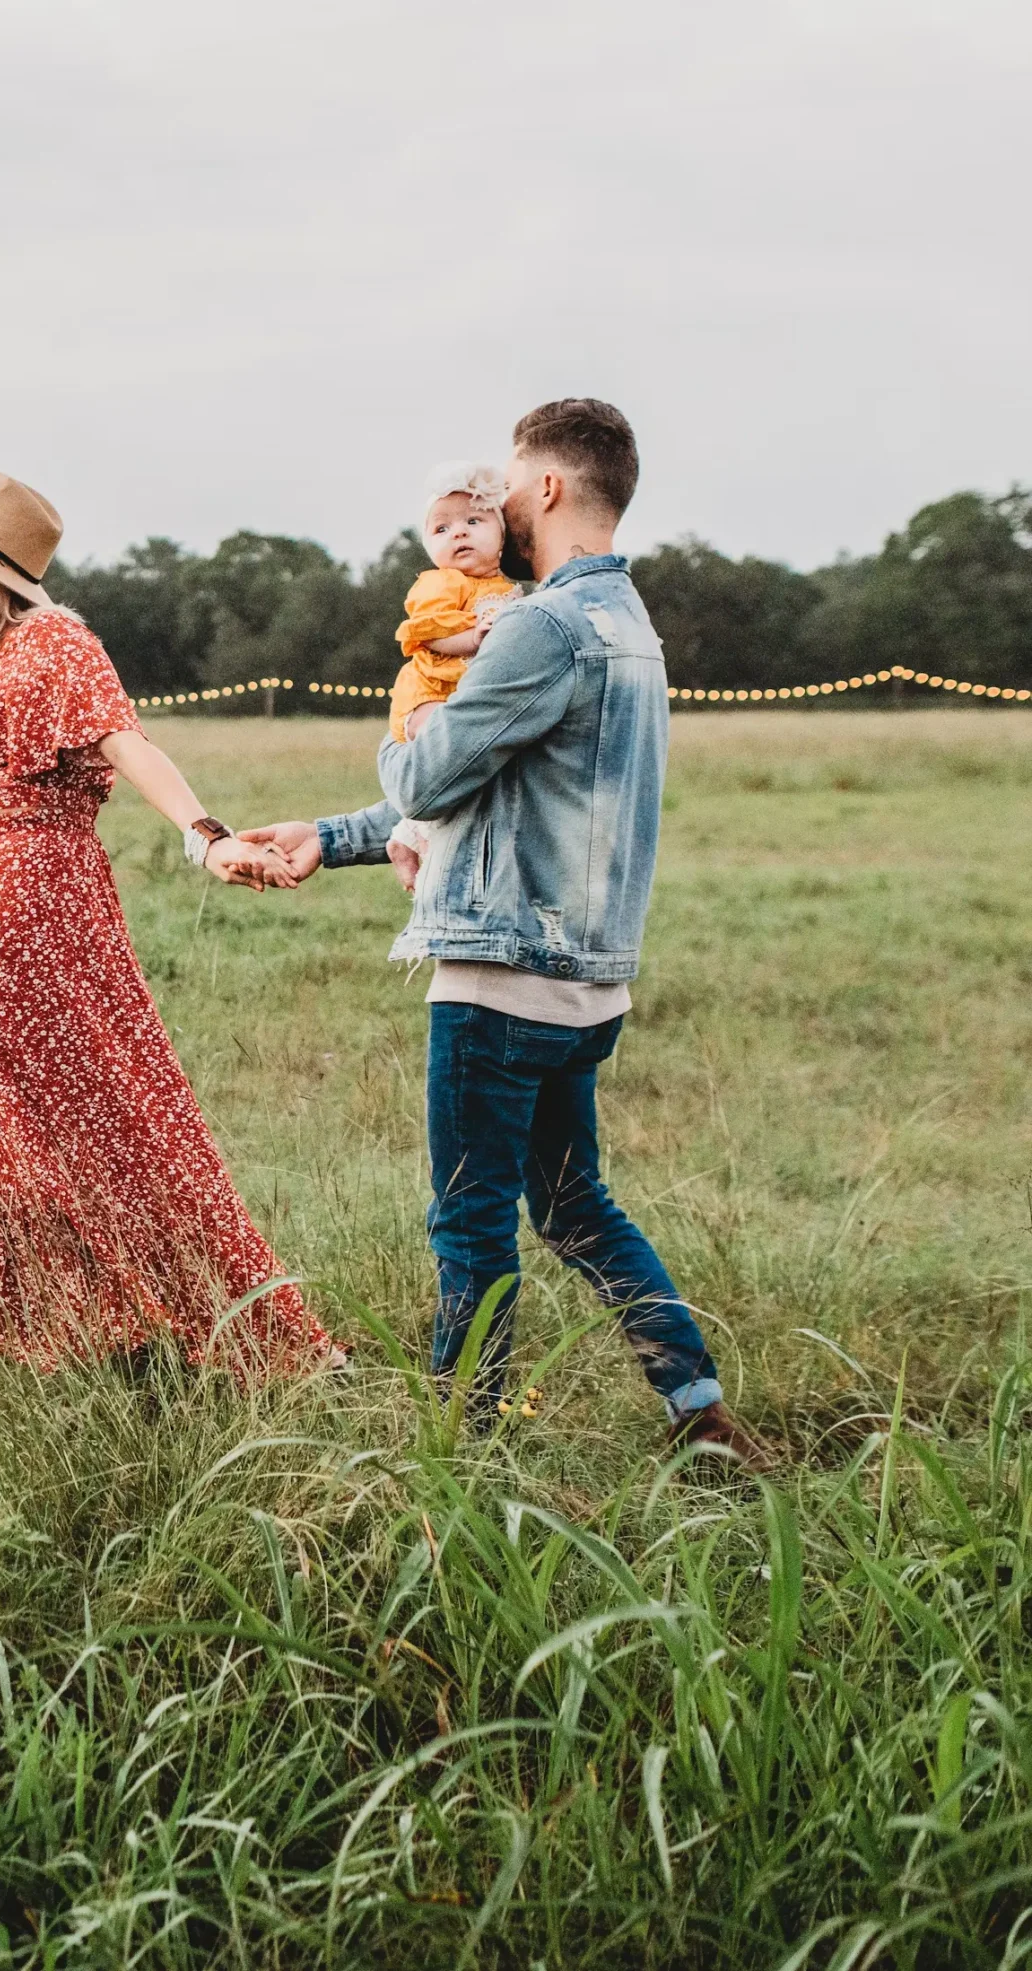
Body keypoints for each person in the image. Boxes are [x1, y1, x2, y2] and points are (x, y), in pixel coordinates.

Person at [240, 401, 763, 1459]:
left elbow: (432, 773)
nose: (500, 507)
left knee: (469, 1221)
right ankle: (695, 1410)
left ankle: (461, 1449)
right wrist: (330, 837)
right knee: (574, 1209)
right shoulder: (630, 628)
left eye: (512, 487)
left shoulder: (539, 625)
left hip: (499, 979)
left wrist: (413, 729)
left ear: (553, 489)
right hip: (587, 985)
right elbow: (499, 795)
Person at [0, 471, 340, 1375]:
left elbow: (128, 740)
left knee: (105, 1110)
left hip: (34, 904)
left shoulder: (57, 641)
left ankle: (160, 1318)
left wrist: (205, 836)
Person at [385, 463, 520, 893]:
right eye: (441, 529)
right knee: (443, 752)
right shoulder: (441, 583)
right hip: (428, 691)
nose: (458, 533)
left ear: (502, 537)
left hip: (461, 692)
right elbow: (428, 632)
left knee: (464, 766)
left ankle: (409, 837)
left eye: (474, 521)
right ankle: (411, 838)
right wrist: (472, 637)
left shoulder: (506, 588)